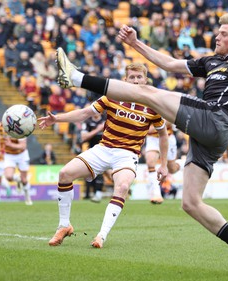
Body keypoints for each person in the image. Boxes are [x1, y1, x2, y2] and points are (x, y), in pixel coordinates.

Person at [54, 13, 228, 274]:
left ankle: (77, 78)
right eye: (217, 31)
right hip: (208, 136)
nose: (217, 35)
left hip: (216, 119)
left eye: (224, 33)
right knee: (191, 203)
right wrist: (135, 44)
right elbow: (170, 64)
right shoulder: (211, 61)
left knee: (147, 93)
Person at [38, 63, 169, 248]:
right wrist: (56, 118)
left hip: (128, 154)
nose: (136, 80)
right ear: (125, 80)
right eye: (132, 77)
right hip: (104, 148)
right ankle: (64, 226)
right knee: (64, 174)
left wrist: (163, 165)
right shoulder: (112, 97)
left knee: (122, 186)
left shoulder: (153, 105)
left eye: (139, 77)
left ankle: (101, 236)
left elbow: (163, 135)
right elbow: (84, 113)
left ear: (146, 79)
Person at [145, 122, 181, 204]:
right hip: (152, 138)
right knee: (150, 162)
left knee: (172, 169)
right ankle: (156, 194)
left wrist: (154, 127)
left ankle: (182, 163)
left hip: (167, 137)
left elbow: (170, 119)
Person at [0, 123, 33, 205]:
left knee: (24, 180)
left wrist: (11, 144)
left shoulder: (21, 128)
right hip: (9, 155)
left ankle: (27, 196)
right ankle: (17, 178)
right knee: (9, 177)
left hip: (22, 155)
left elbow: (23, 146)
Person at [80, 112, 106, 202]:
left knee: (108, 173)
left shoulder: (106, 119)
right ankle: (95, 193)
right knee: (93, 173)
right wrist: (97, 130)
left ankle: (123, 191)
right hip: (93, 151)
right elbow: (84, 137)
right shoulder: (87, 122)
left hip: (107, 149)